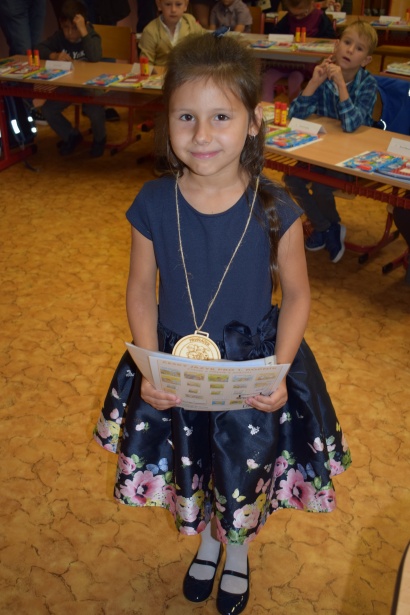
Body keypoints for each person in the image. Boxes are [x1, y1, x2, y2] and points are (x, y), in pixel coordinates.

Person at [93, 31, 351, 614]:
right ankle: (207, 542)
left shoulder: (277, 207)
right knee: (197, 461)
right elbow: (140, 288)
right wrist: (148, 364)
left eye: (221, 117)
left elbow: (298, 293)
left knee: (241, 468)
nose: (202, 135)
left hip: (252, 370)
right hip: (174, 365)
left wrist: (280, 369)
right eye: (186, 116)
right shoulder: (152, 202)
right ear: (167, 120)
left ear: (253, 122)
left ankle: (234, 551)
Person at [283, 20, 378, 263]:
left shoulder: (368, 84)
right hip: (319, 152)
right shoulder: (323, 75)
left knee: (322, 187)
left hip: (350, 158)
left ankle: (325, 226)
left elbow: (351, 125)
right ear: (336, 46)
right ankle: (327, 226)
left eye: (358, 48)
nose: (350, 50)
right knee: (291, 178)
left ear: (366, 60)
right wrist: (314, 82)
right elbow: (294, 117)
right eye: (347, 43)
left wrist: (341, 86)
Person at [38, 0, 107, 157]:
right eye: (65, 28)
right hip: (69, 86)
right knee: (48, 109)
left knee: (95, 110)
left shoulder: (91, 35)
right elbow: (40, 48)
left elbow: (95, 56)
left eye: (74, 28)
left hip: (91, 86)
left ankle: (100, 139)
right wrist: (54, 55)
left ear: (84, 25)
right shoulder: (59, 37)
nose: (69, 33)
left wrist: (83, 31)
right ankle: (71, 136)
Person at [262, 0, 336, 102]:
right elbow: (275, 34)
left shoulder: (320, 18)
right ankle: (264, 109)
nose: (297, 18)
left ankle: (295, 109)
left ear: (311, 4)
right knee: (267, 77)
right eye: (294, 14)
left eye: (302, 14)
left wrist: (312, 43)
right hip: (285, 63)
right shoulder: (289, 18)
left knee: (295, 79)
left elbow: (331, 39)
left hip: (306, 66)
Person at [138, 0, 204, 67]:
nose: (173, 10)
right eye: (168, 4)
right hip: (160, 72)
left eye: (178, 4)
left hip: (188, 71)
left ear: (185, 6)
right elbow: (145, 64)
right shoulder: (150, 30)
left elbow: (205, 44)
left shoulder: (191, 23)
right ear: (159, 5)